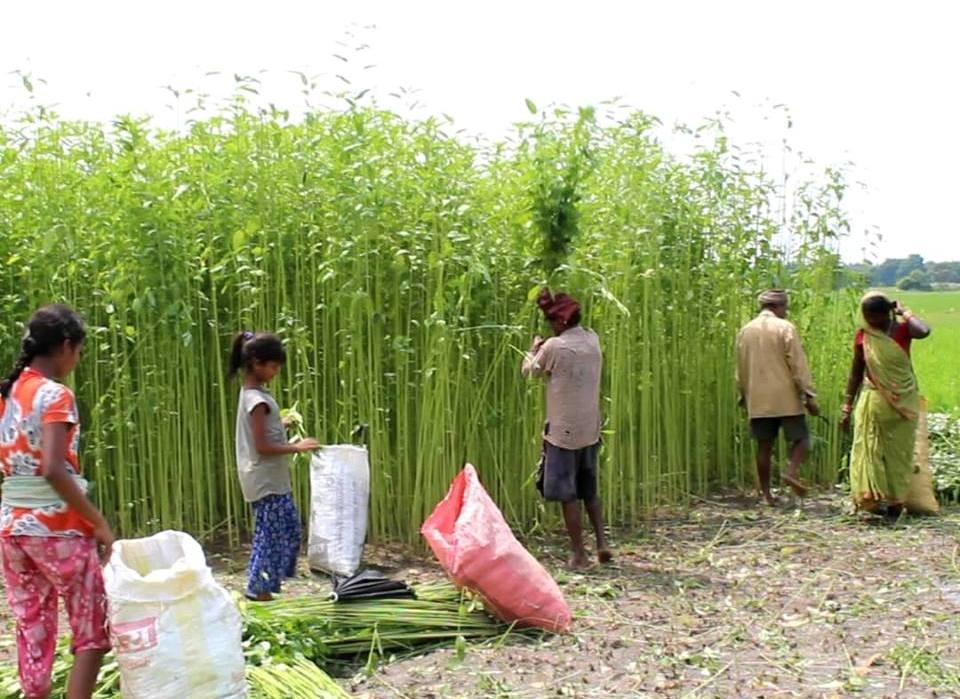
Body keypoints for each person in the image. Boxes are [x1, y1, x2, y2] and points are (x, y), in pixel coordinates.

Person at [0, 304, 113, 699]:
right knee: (93, 632)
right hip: (57, 529)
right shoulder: (55, 395)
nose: (78, 360)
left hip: (12, 531)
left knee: (33, 627)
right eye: (79, 351)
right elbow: (52, 468)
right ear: (65, 346)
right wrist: (97, 521)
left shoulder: (9, 393)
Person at [522, 289, 611, 569]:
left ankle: (579, 554)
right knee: (590, 489)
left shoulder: (554, 347)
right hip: (590, 428)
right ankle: (602, 543)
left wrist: (533, 349)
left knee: (568, 494)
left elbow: (530, 372)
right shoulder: (592, 339)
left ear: (560, 323)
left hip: (563, 432)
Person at [229, 331, 320, 601]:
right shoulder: (255, 401)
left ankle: (268, 583)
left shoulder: (255, 395)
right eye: (273, 366)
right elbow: (262, 446)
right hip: (264, 479)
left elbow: (262, 433)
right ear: (256, 363)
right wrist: (297, 446)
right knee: (271, 534)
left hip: (270, 478)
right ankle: (260, 589)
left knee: (287, 527)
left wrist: (282, 425)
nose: (275, 372)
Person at [842, 292, 931, 517]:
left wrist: (904, 311)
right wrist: (847, 406)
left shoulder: (902, 330)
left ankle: (895, 502)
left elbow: (924, 331)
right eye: (867, 316)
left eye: (875, 316)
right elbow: (855, 372)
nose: (871, 321)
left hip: (903, 400)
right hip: (872, 400)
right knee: (869, 449)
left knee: (898, 452)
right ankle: (872, 499)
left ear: (886, 313)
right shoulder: (863, 336)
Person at [736, 289, 820, 505]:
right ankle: (790, 472)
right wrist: (809, 394)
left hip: (757, 397)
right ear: (778, 307)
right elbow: (797, 364)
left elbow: (741, 367)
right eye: (785, 307)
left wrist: (743, 395)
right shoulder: (785, 328)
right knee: (801, 439)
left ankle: (766, 495)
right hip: (786, 396)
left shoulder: (745, 331)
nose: (786, 311)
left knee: (764, 446)